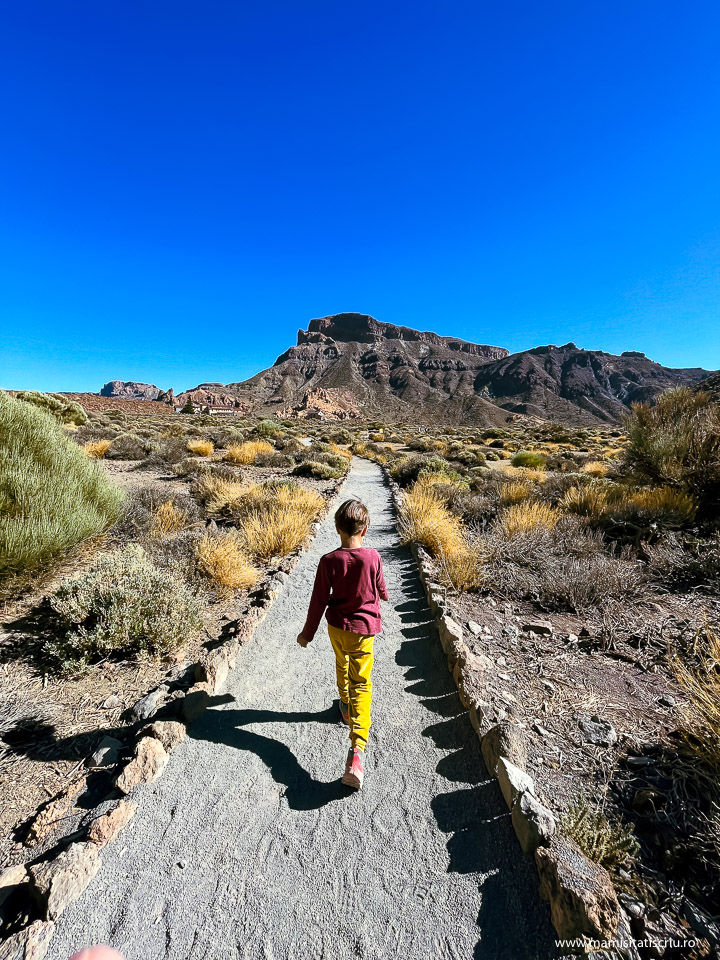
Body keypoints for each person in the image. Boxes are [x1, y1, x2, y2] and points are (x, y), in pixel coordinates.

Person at [296, 498, 388, 789]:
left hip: (337, 627)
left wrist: (307, 634)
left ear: (336, 528)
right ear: (366, 527)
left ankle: (345, 707)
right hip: (363, 630)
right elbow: (381, 589)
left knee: (341, 662)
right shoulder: (373, 557)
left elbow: (318, 601)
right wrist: (380, 594)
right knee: (361, 681)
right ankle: (357, 751)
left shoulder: (329, 561)